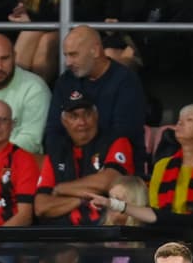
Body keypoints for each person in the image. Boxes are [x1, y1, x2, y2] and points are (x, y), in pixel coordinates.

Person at [44, 26, 148, 157]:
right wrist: (64, 161)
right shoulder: (65, 81)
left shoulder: (126, 81)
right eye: (66, 55)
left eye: (74, 54)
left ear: (95, 51)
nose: (68, 62)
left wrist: (88, 160)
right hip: (73, 160)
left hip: (116, 161)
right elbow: (53, 131)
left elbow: (123, 134)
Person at [34, 93, 135, 225]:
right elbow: (41, 206)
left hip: (104, 230)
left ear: (96, 116)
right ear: (64, 122)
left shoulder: (116, 141)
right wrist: (81, 200)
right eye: (74, 116)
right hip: (63, 233)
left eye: (87, 114)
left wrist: (60, 189)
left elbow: (110, 181)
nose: (82, 122)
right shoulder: (56, 152)